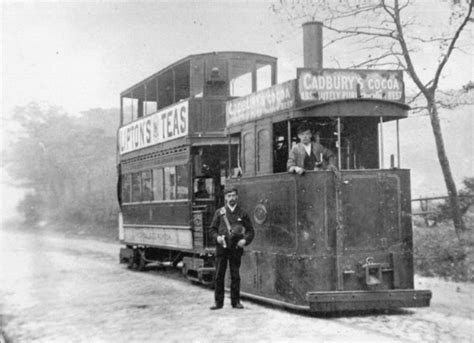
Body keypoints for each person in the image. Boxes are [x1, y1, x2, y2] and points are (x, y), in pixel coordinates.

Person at [208, 187, 255, 310]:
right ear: (225, 198)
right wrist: (217, 238)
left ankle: (236, 302)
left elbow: (250, 231)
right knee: (219, 275)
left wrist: (245, 240)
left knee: (235, 275)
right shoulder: (220, 212)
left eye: (234, 195)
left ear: (237, 197)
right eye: (229, 196)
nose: (232, 198)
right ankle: (218, 303)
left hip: (235, 248)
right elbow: (212, 230)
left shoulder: (242, 213)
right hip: (222, 247)